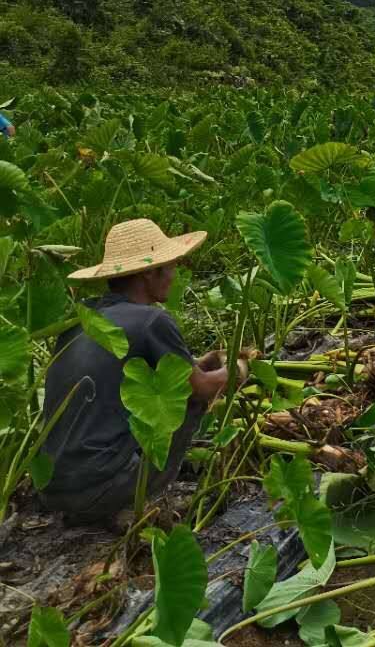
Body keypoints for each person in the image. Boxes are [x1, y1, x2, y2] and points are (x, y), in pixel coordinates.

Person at [40, 219, 247, 526]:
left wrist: (198, 364)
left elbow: (140, 376)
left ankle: (104, 504)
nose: (174, 275)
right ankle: (137, 498)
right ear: (149, 271)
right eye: (170, 266)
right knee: (187, 402)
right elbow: (200, 388)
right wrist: (239, 369)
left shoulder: (82, 319)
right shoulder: (151, 320)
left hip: (52, 489)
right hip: (103, 487)